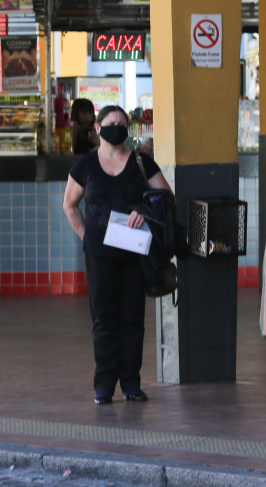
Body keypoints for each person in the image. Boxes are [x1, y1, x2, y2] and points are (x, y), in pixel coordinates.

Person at [63, 106, 172, 405]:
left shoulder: (141, 162)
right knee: (104, 320)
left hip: (136, 254)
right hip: (99, 256)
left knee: (132, 318)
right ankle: (104, 385)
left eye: (122, 124)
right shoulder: (85, 166)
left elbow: (166, 198)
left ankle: (132, 384)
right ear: (98, 129)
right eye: (111, 123)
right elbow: (70, 205)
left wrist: (143, 211)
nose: (117, 127)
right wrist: (89, 238)